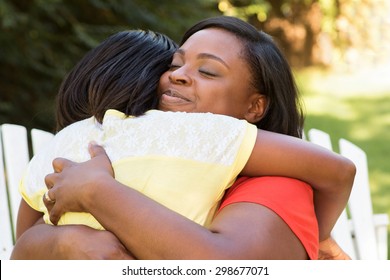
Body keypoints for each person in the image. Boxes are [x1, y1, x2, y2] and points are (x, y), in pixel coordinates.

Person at [12, 16, 354, 260]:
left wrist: (97, 192)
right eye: (174, 65)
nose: (178, 77)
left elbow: (226, 268)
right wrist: (67, 243)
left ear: (255, 107)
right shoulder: (137, 150)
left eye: (207, 71)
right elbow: (22, 249)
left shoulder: (277, 184)